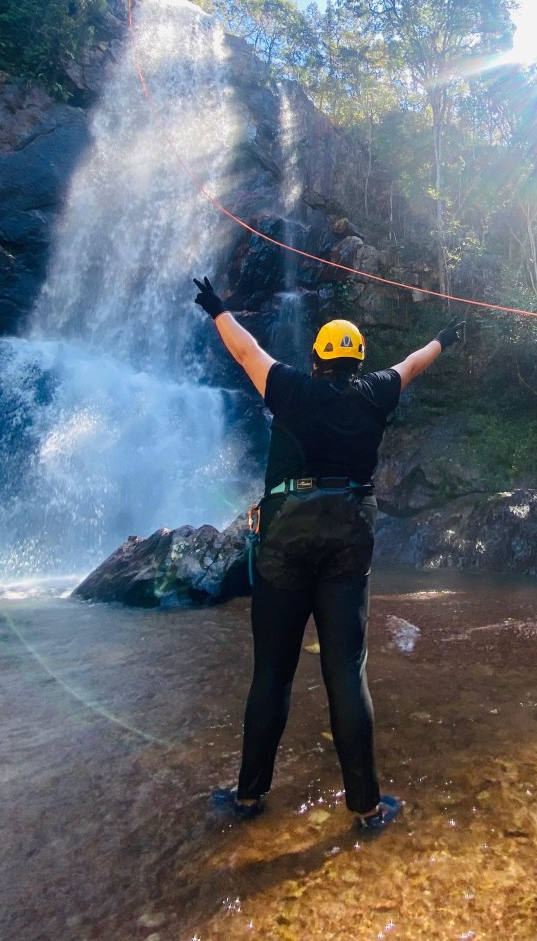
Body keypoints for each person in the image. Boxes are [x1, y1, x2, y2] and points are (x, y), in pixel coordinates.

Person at [193, 275, 465, 832]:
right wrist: (446, 338)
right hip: (347, 544)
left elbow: (245, 349)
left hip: (283, 543)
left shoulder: (289, 387)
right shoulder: (376, 392)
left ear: (317, 357)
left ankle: (248, 798)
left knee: (272, 672)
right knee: (347, 671)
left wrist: (218, 307)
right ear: (358, 359)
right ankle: (365, 807)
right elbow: (413, 365)